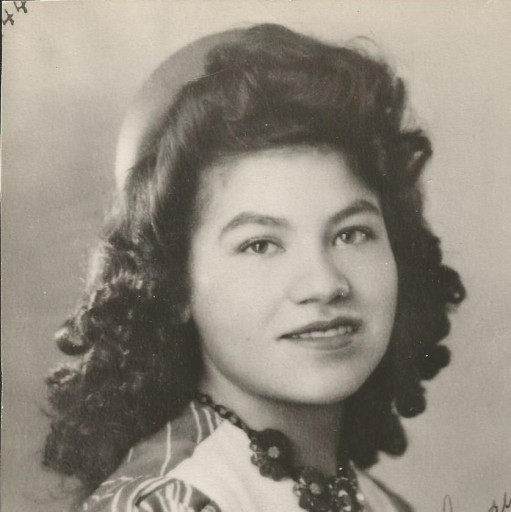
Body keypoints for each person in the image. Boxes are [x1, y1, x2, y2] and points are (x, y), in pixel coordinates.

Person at [42, 23, 465, 512]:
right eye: (261, 245)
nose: (325, 283)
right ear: (173, 283)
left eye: (352, 234)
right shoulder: (168, 502)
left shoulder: (380, 502)